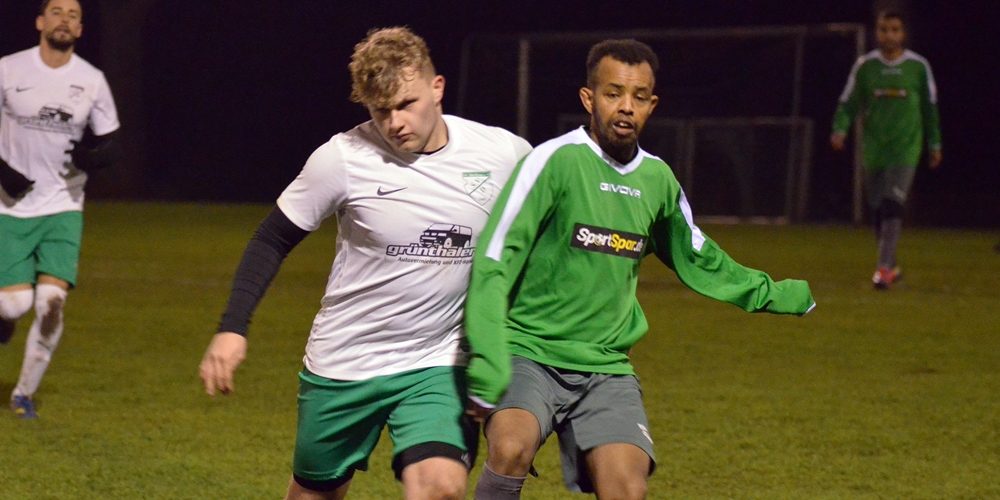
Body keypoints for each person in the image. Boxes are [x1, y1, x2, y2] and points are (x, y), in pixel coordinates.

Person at [464, 39, 815, 499]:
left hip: (606, 366)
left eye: (639, 96)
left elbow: (699, 257)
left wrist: (777, 294)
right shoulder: (554, 162)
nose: (626, 107)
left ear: (652, 104)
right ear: (589, 98)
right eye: (613, 94)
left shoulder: (657, 181)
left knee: (628, 488)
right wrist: (487, 361)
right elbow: (494, 260)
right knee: (511, 447)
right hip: (529, 352)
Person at [198, 27, 531, 500]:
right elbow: (271, 237)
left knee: (440, 487)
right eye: (380, 110)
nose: (394, 123)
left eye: (405, 104)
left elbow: (541, 236)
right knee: (316, 491)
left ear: (437, 89)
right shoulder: (342, 158)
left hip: (436, 362)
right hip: (345, 361)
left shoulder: (502, 153)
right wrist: (233, 326)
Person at [0, 0, 121, 419]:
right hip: (10, 207)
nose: (64, 19)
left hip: (64, 205)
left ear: (81, 28)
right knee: (13, 307)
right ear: (39, 21)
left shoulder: (91, 80)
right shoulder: (9, 69)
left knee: (51, 305)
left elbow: (109, 140)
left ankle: (23, 395)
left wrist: (95, 157)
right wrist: (3, 170)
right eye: (56, 11)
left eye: (73, 14)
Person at [830, 10, 942, 290]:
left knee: (893, 203)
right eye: (883, 29)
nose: (888, 35)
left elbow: (930, 108)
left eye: (894, 29)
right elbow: (848, 102)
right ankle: (891, 264)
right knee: (879, 210)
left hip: (906, 148)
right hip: (874, 149)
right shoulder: (865, 66)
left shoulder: (918, 67)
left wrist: (934, 143)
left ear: (902, 34)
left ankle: (882, 270)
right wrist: (840, 128)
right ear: (876, 32)